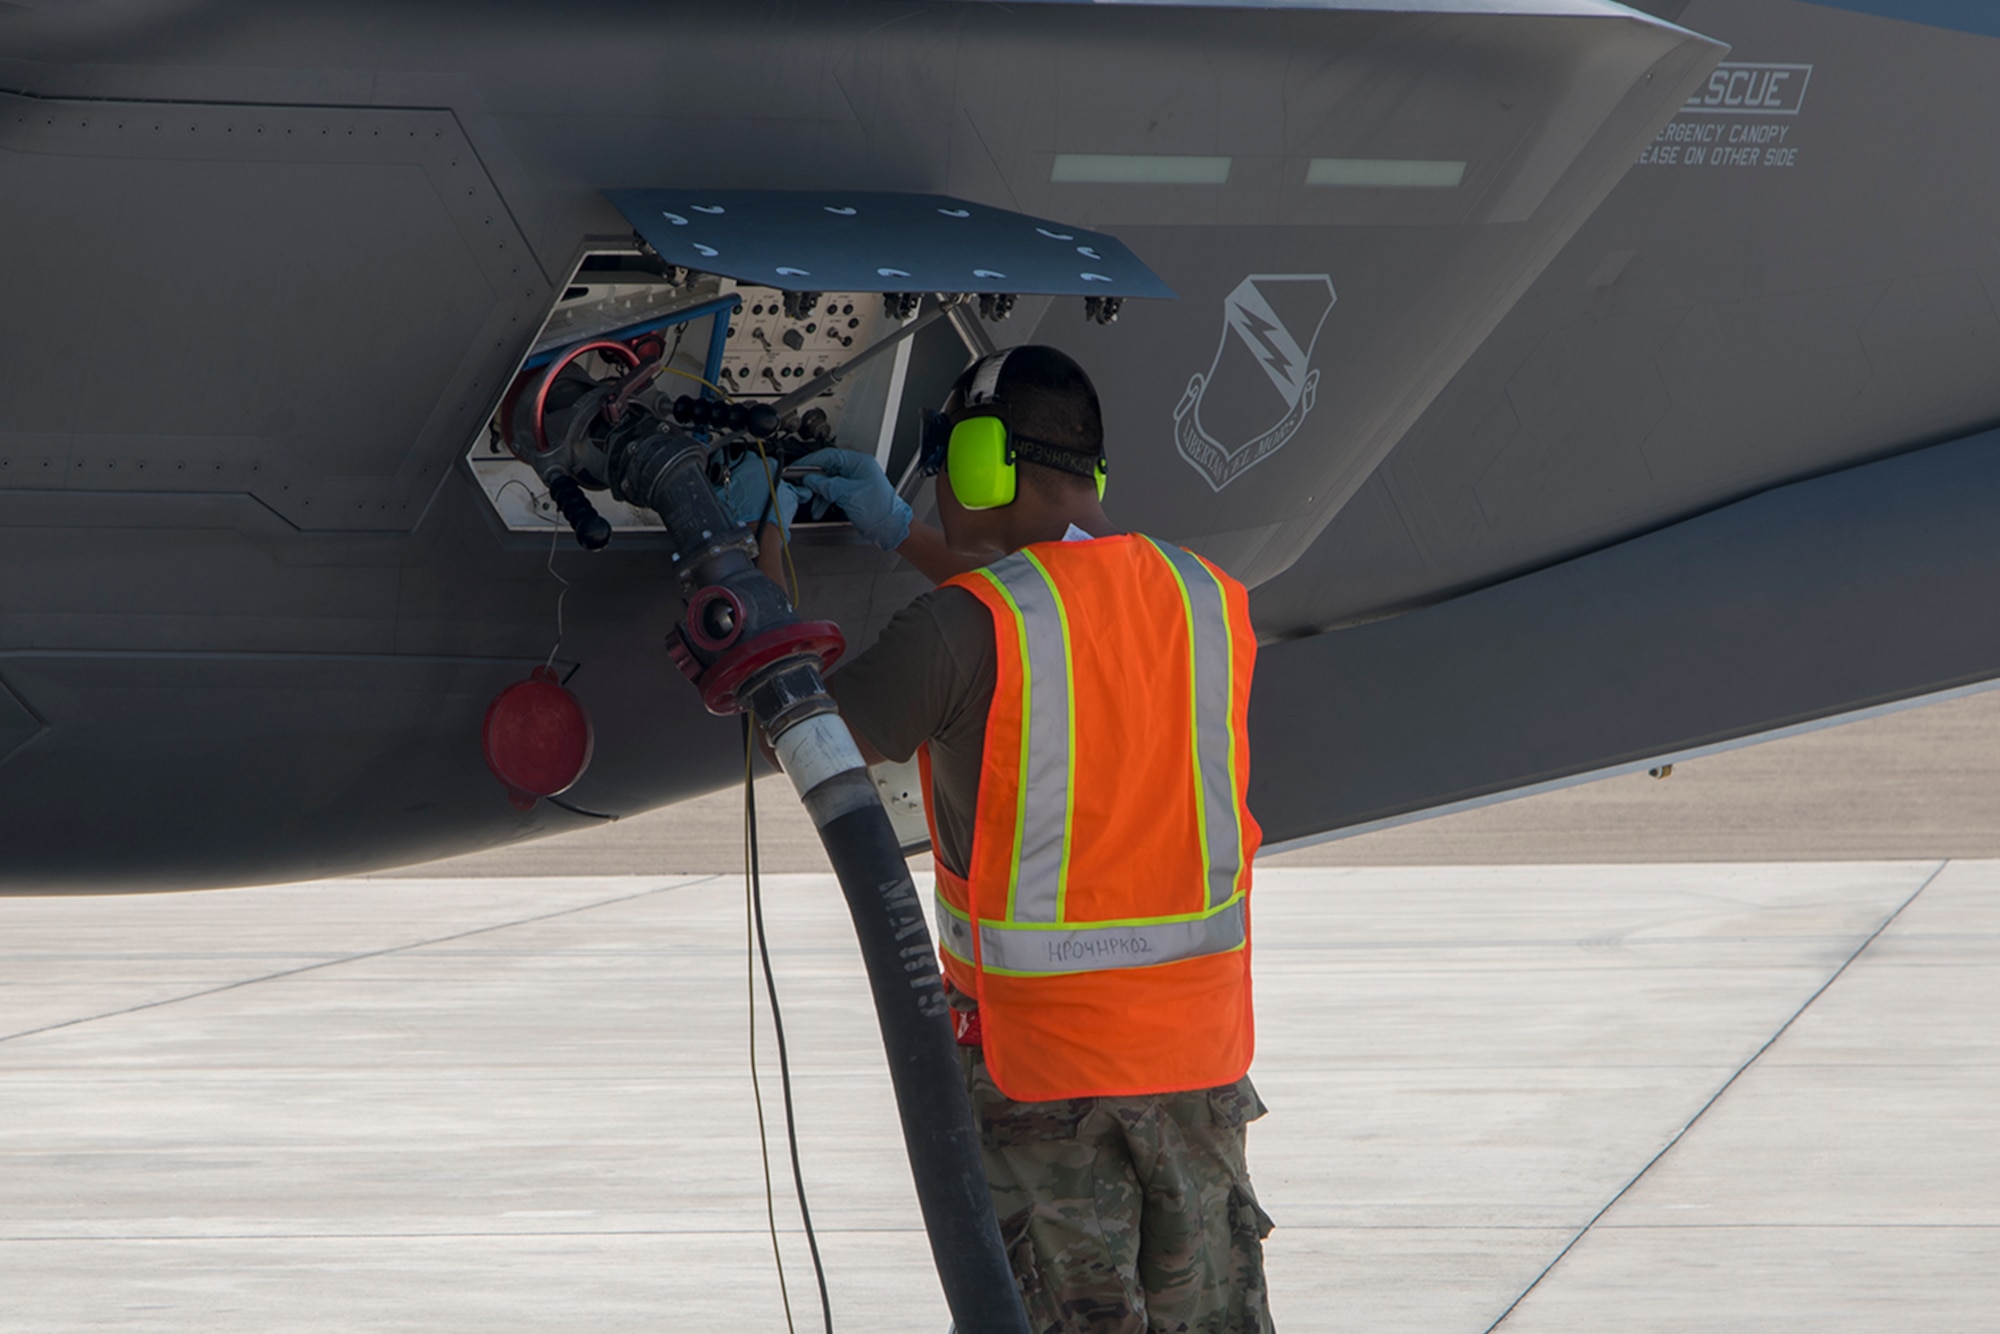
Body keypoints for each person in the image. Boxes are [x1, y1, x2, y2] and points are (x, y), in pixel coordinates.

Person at [781, 345, 1276, 1333]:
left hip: (1044, 1088)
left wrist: (757, 559)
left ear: (978, 462)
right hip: (1200, 1076)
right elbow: (1046, 602)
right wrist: (908, 538)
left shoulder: (963, 628)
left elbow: (813, 733)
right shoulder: (1203, 597)